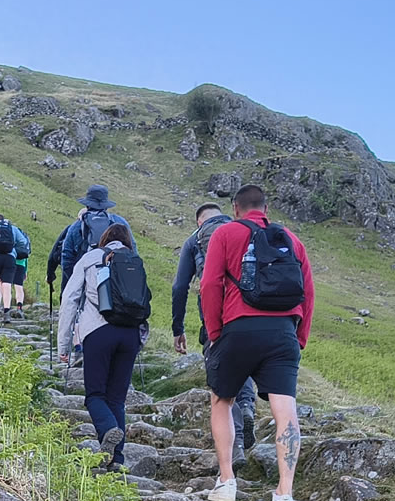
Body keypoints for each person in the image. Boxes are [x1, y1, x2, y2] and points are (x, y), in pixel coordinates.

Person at [197, 184, 314, 501]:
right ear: (267, 206)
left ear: (235, 207)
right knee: (285, 411)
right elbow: (308, 291)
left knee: (222, 401)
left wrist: (215, 332)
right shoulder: (291, 240)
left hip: (238, 328)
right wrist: (299, 336)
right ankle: (285, 496)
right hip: (282, 334)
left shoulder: (226, 234)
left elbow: (209, 284)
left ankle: (227, 480)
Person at [57, 218, 150, 472]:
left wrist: (64, 345)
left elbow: (70, 300)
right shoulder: (134, 261)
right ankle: (116, 459)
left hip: (97, 332)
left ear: (103, 239)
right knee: (117, 399)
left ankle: (109, 430)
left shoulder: (90, 258)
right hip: (129, 335)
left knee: (95, 396)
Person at [170, 201, 259, 466]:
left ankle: (236, 448)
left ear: (199, 221)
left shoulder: (194, 240)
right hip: (248, 310)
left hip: (214, 315)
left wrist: (178, 328)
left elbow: (179, 287)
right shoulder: (244, 231)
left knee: (223, 378)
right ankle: (247, 406)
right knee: (242, 362)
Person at [53, 185, 128, 292]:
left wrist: (75, 282)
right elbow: (132, 252)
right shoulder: (121, 223)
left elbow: (66, 258)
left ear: (87, 205)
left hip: (86, 285)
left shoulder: (77, 226)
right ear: (106, 206)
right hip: (116, 285)